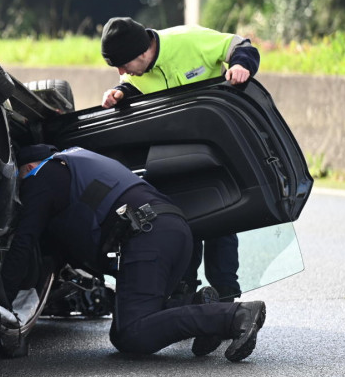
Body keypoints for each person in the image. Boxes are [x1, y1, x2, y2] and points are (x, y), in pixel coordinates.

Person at [2, 144, 266, 361]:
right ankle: (198, 309)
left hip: (148, 236)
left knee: (132, 332)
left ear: (27, 168)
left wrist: (1, 300)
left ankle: (235, 316)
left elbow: (24, 241)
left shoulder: (42, 176)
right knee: (130, 327)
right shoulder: (78, 158)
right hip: (173, 230)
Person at [99, 17, 261, 302]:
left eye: (123, 65)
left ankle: (226, 297)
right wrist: (120, 93)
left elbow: (240, 46)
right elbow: (134, 88)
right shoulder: (136, 72)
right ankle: (184, 295)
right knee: (183, 225)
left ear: (141, 52)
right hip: (176, 159)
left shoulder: (189, 40)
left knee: (221, 225)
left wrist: (240, 65)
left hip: (218, 152)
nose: (122, 71)